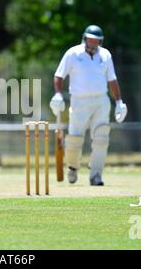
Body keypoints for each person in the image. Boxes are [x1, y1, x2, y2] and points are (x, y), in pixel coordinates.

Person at [50, 25, 128, 186]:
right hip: (79, 101)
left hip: (101, 100)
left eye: (96, 41)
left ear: (100, 41)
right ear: (85, 39)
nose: (93, 43)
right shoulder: (73, 53)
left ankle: (96, 174)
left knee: (101, 137)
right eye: (90, 39)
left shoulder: (105, 55)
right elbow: (59, 75)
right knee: (74, 138)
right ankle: (72, 167)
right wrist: (58, 93)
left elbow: (112, 80)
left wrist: (119, 101)